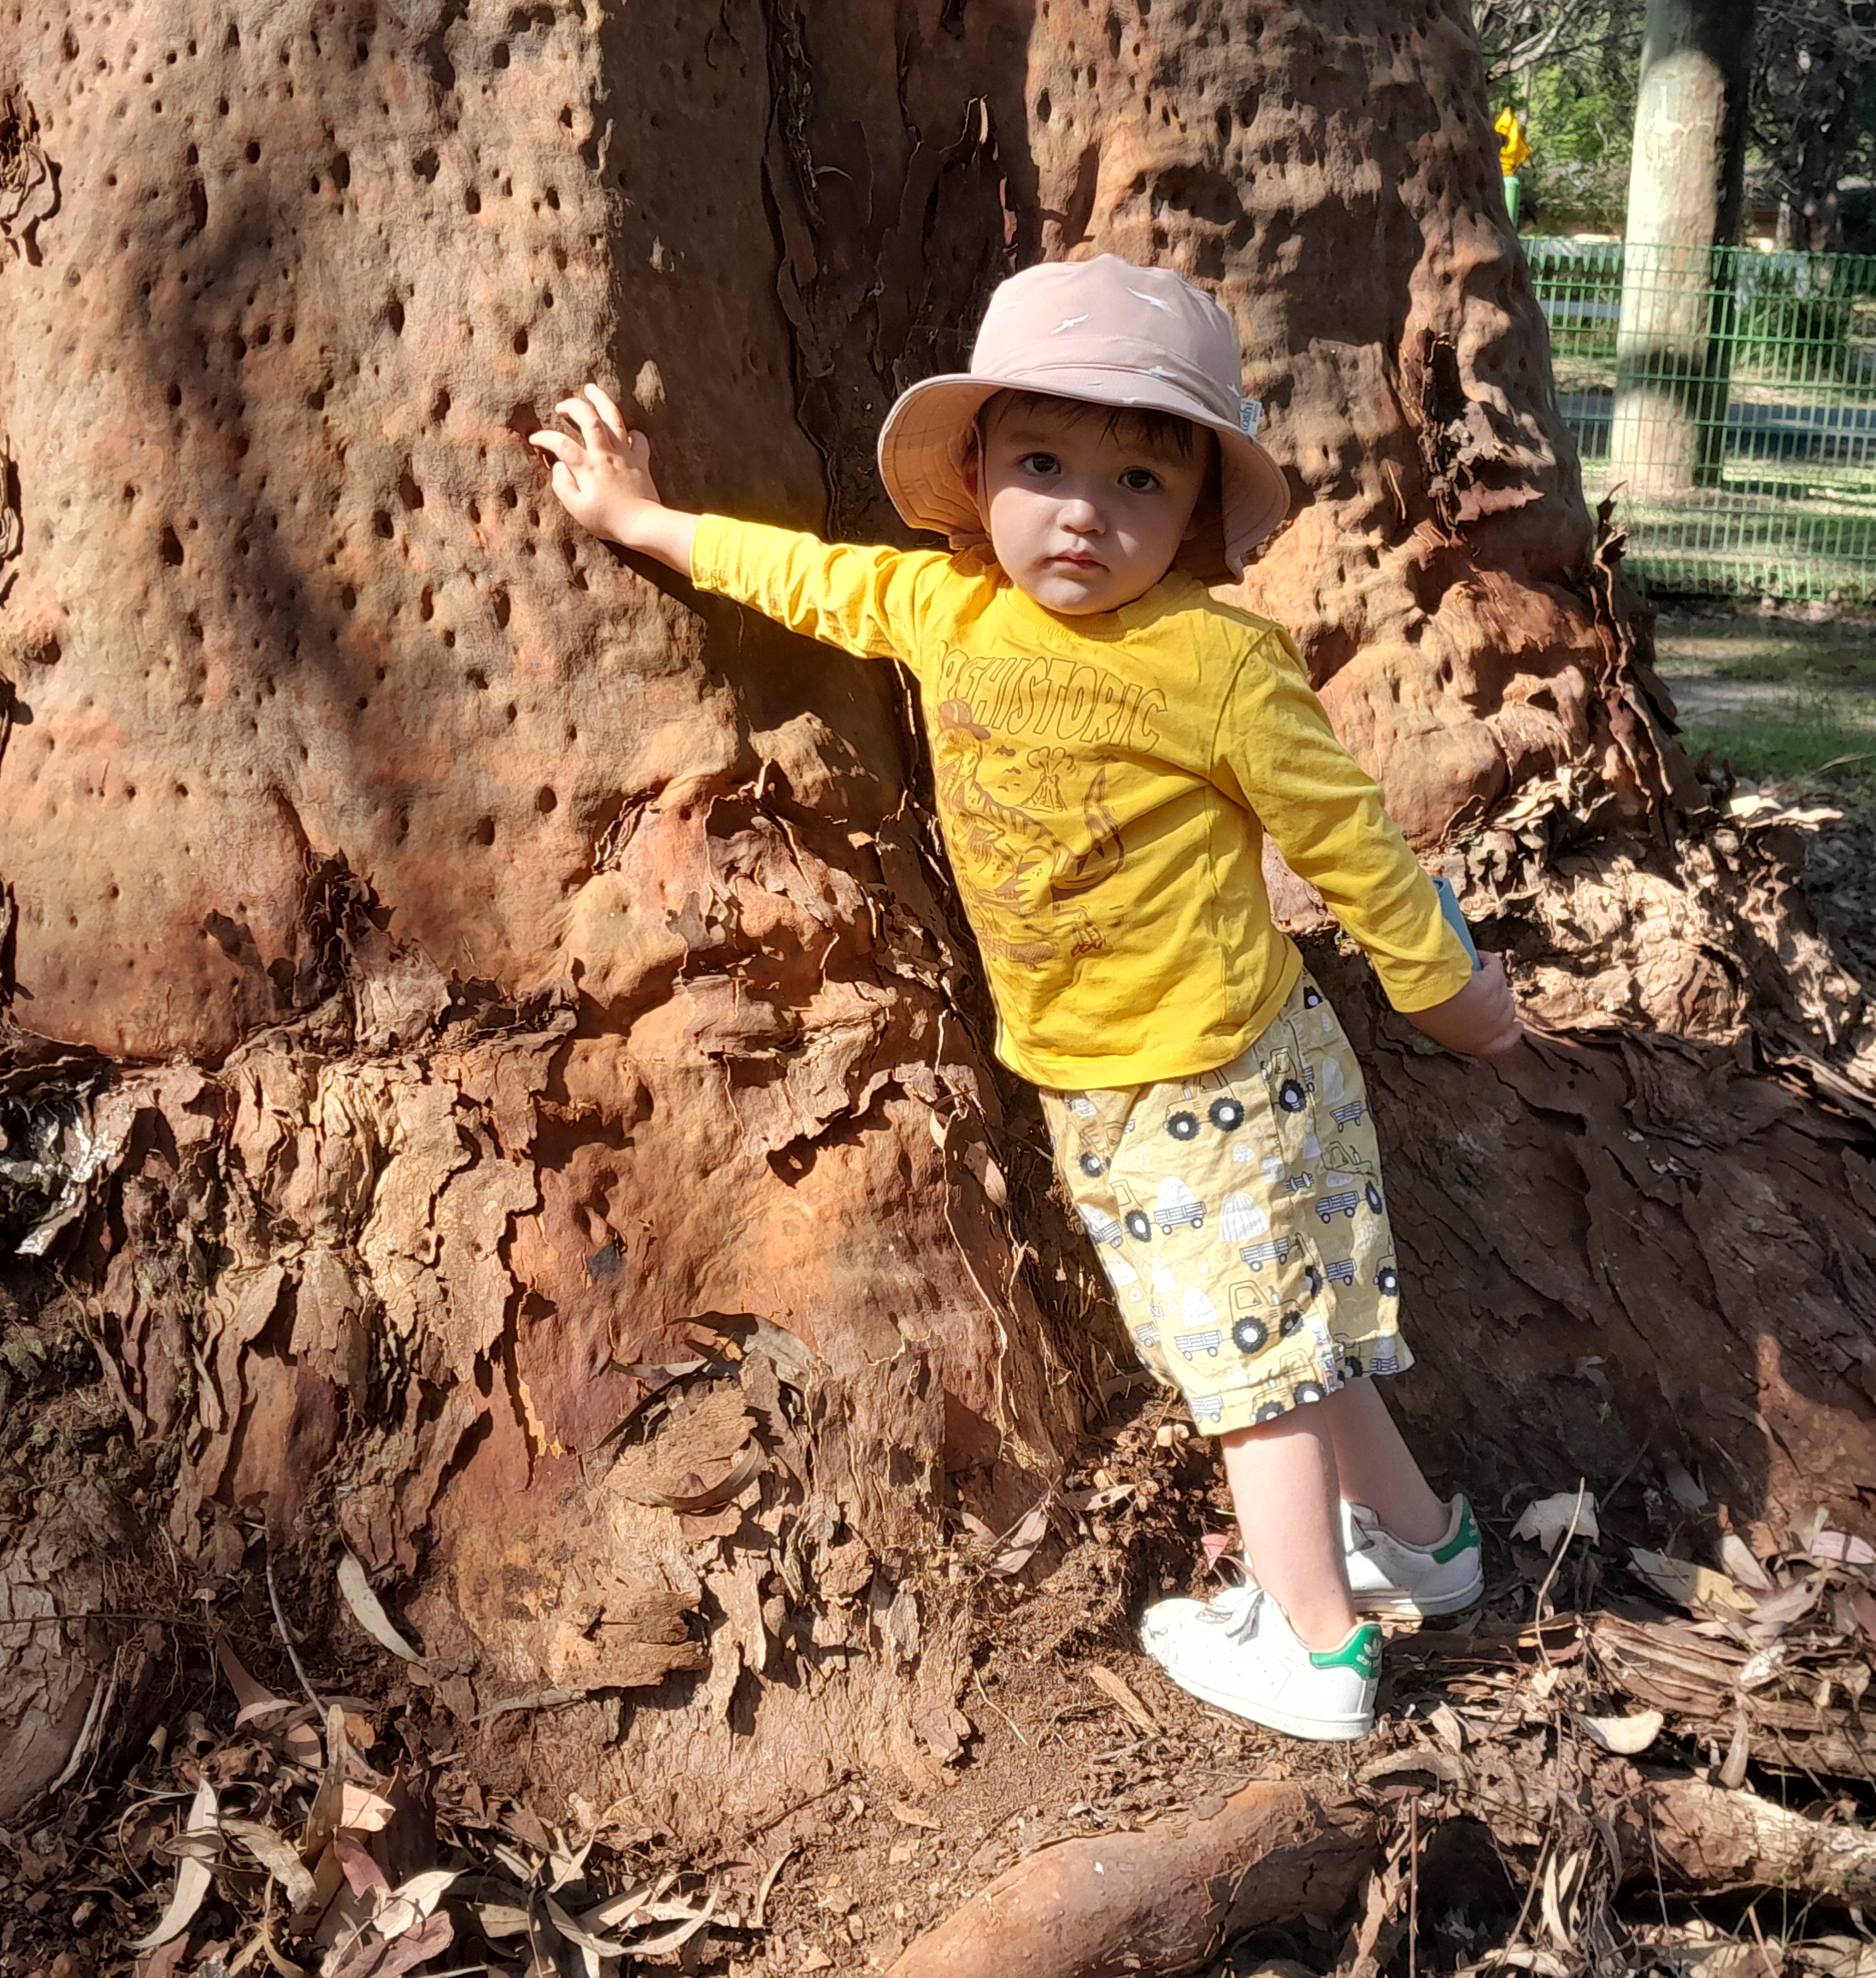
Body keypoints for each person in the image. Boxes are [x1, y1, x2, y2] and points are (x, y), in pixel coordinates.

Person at [527, 253, 1522, 1742]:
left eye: (1139, 481)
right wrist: (635, 517)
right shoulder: (948, 613)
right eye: (1045, 466)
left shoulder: (1218, 663)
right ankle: (1422, 1548)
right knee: (1287, 1329)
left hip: (1211, 1077)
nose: (1083, 512)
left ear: (1194, 512)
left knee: (1247, 1370)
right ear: (977, 471)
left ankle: (1317, 1648)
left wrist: (1453, 994)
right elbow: (797, 574)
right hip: (1117, 1077)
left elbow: (1353, 847)